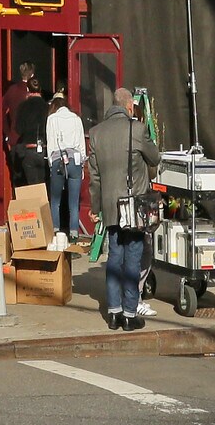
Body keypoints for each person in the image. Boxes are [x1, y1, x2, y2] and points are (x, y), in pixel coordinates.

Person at [87, 85, 158, 331]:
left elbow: (94, 177)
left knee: (114, 256)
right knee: (133, 256)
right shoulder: (137, 130)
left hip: (110, 206)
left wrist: (96, 207)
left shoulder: (96, 133)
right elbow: (155, 158)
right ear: (129, 106)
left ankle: (114, 312)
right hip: (134, 205)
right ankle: (130, 313)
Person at [45, 90, 86, 238]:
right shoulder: (76, 118)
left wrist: (51, 164)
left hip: (58, 158)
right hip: (75, 159)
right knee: (73, 202)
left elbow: (50, 144)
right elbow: (82, 144)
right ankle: (74, 234)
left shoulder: (52, 119)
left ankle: (55, 231)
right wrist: (82, 165)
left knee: (55, 200)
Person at [2, 62, 39, 181]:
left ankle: (18, 199)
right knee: (33, 179)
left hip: (15, 139)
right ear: (32, 74)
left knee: (17, 177)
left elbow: (1, 111)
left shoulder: (12, 90)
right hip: (32, 141)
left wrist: (7, 133)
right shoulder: (34, 94)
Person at [13, 69, 49, 189]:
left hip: (28, 150)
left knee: (32, 186)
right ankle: (44, 207)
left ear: (28, 89)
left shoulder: (23, 106)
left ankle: (35, 207)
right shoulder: (46, 107)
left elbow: (18, 129)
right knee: (44, 184)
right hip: (44, 149)